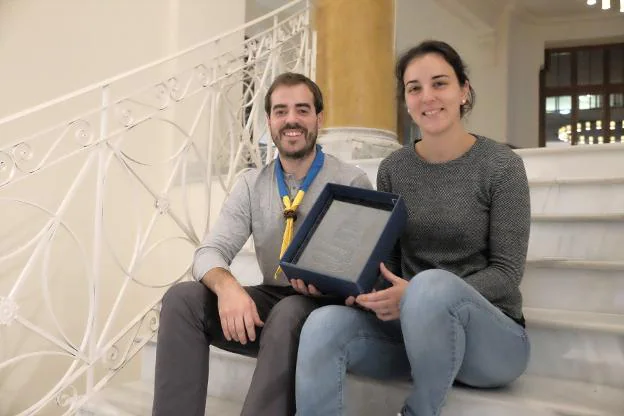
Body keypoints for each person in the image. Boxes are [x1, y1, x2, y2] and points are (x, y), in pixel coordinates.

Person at [295, 40, 531, 416]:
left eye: (440, 83)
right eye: (414, 88)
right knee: (322, 324)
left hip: (492, 342)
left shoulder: (502, 166)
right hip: (412, 335)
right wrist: (345, 283)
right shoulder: (393, 168)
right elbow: (386, 263)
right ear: (405, 101)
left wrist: (419, 295)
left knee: (431, 284)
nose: (427, 97)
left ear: (463, 91)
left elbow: (506, 274)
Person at [152, 72, 372, 416]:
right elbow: (209, 251)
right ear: (269, 121)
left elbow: (361, 270)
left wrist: (329, 283)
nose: (291, 120)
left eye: (302, 110)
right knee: (182, 299)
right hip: (272, 298)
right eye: (281, 111)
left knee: (288, 312)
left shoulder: (351, 180)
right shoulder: (252, 184)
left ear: (319, 118)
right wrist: (228, 288)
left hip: (321, 307)